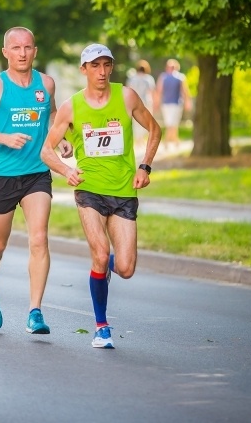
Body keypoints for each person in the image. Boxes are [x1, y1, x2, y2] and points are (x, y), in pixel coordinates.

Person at [40, 43, 161, 349]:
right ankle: (101, 327)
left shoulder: (126, 96)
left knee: (125, 269)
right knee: (97, 251)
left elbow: (154, 129)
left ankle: (109, 262)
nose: (102, 71)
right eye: (95, 66)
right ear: (84, 70)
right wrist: (66, 171)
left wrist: (145, 167)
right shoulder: (71, 106)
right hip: (89, 190)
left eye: (106, 65)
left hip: (123, 191)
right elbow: (46, 149)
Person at [0, 27, 72, 335]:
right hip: (1, 175)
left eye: (27, 47)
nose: (22, 53)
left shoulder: (46, 84)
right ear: (6, 53)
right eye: (16, 48)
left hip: (37, 172)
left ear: (35, 51)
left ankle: (35, 311)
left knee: (39, 239)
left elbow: (51, 116)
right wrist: (3, 138)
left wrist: (59, 139)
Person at [155, 58, 191, 149]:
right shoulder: (180, 77)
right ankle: (173, 141)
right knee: (172, 123)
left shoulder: (164, 77)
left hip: (171, 103)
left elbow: (159, 91)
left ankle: (169, 142)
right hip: (174, 103)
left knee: (171, 123)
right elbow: (185, 91)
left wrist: (157, 102)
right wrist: (187, 102)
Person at [126, 60, 156, 146]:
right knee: (146, 120)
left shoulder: (132, 78)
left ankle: (138, 139)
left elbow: (128, 90)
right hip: (146, 102)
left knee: (136, 121)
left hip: (134, 102)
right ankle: (142, 138)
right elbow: (152, 91)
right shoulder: (149, 79)